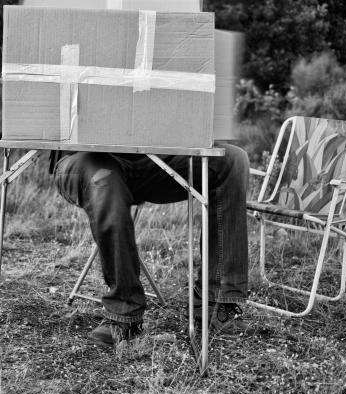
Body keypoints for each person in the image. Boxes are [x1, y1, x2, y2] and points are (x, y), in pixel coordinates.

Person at [54, 144, 251, 347]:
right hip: (84, 156)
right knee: (103, 177)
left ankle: (216, 304)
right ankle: (124, 312)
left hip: (151, 155)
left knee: (232, 159)